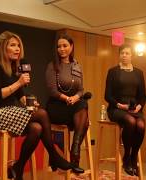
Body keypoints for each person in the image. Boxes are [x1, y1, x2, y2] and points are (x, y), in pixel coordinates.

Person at [0, 31, 84, 180]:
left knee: (37, 128)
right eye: (12, 45)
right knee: (42, 114)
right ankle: (54, 155)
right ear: (3, 47)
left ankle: (18, 167)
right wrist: (19, 83)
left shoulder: (14, 67)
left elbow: (20, 95)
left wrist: (29, 102)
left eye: (18, 45)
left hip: (10, 111)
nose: (17, 49)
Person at [45, 33, 89, 167]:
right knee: (84, 119)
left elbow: (81, 89)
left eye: (65, 45)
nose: (62, 49)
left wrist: (75, 97)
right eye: (59, 46)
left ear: (71, 46)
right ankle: (75, 156)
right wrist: (67, 98)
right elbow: (52, 90)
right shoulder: (52, 65)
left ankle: (74, 150)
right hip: (56, 106)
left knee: (83, 104)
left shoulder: (77, 66)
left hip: (73, 106)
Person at [104, 44, 146, 176]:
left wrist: (139, 106)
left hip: (135, 109)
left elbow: (143, 96)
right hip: (116, 108)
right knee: (130, 122)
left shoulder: (139, 73)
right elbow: (107, 96)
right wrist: (119, 105)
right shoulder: (113, 71)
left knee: (140, 125)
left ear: (131, 55)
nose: (124, 55)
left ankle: (133, 157)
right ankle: (126, 156)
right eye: (122, 53)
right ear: (119, 55)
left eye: (127, 53)